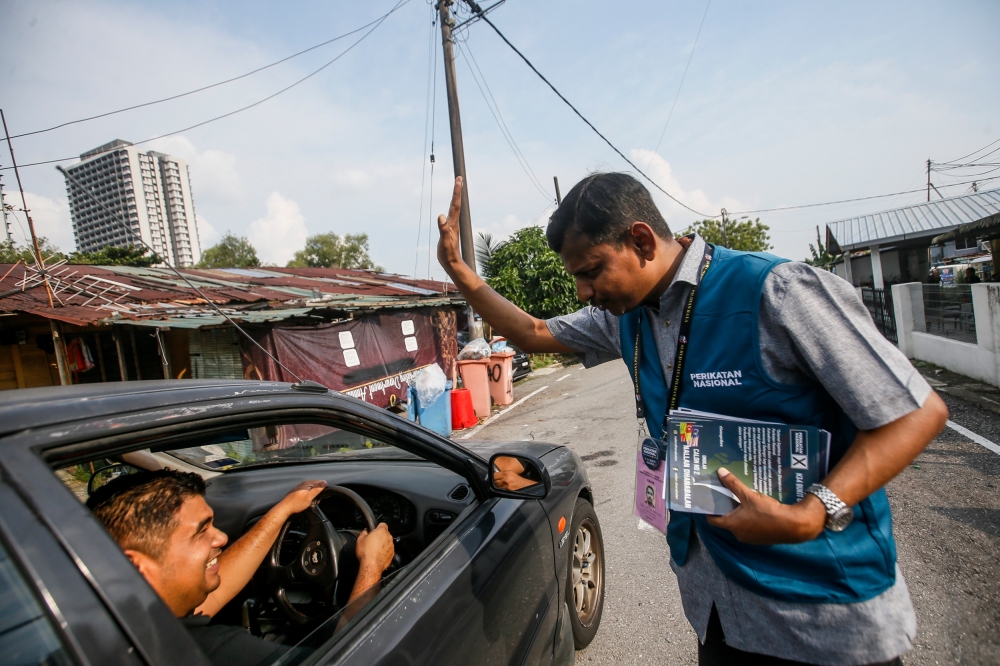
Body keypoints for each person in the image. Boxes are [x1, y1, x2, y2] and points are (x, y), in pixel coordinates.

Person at [436, 173, 948, 666]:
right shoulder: (627, 318)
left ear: (641, 240)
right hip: (718, 609)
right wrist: (463, 276)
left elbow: (914, 413)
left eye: (591, 271)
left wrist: (815, 511)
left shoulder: (776, 293)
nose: (584, 293)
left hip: (822, 612)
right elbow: (533, 331)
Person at [87, 469, 395, 666]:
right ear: (135, 566)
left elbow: (213, 598)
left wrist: (285, 508)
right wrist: (371, 566)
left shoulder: (116, 625)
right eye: (200, 530)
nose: (221, 537)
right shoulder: (207, 652)